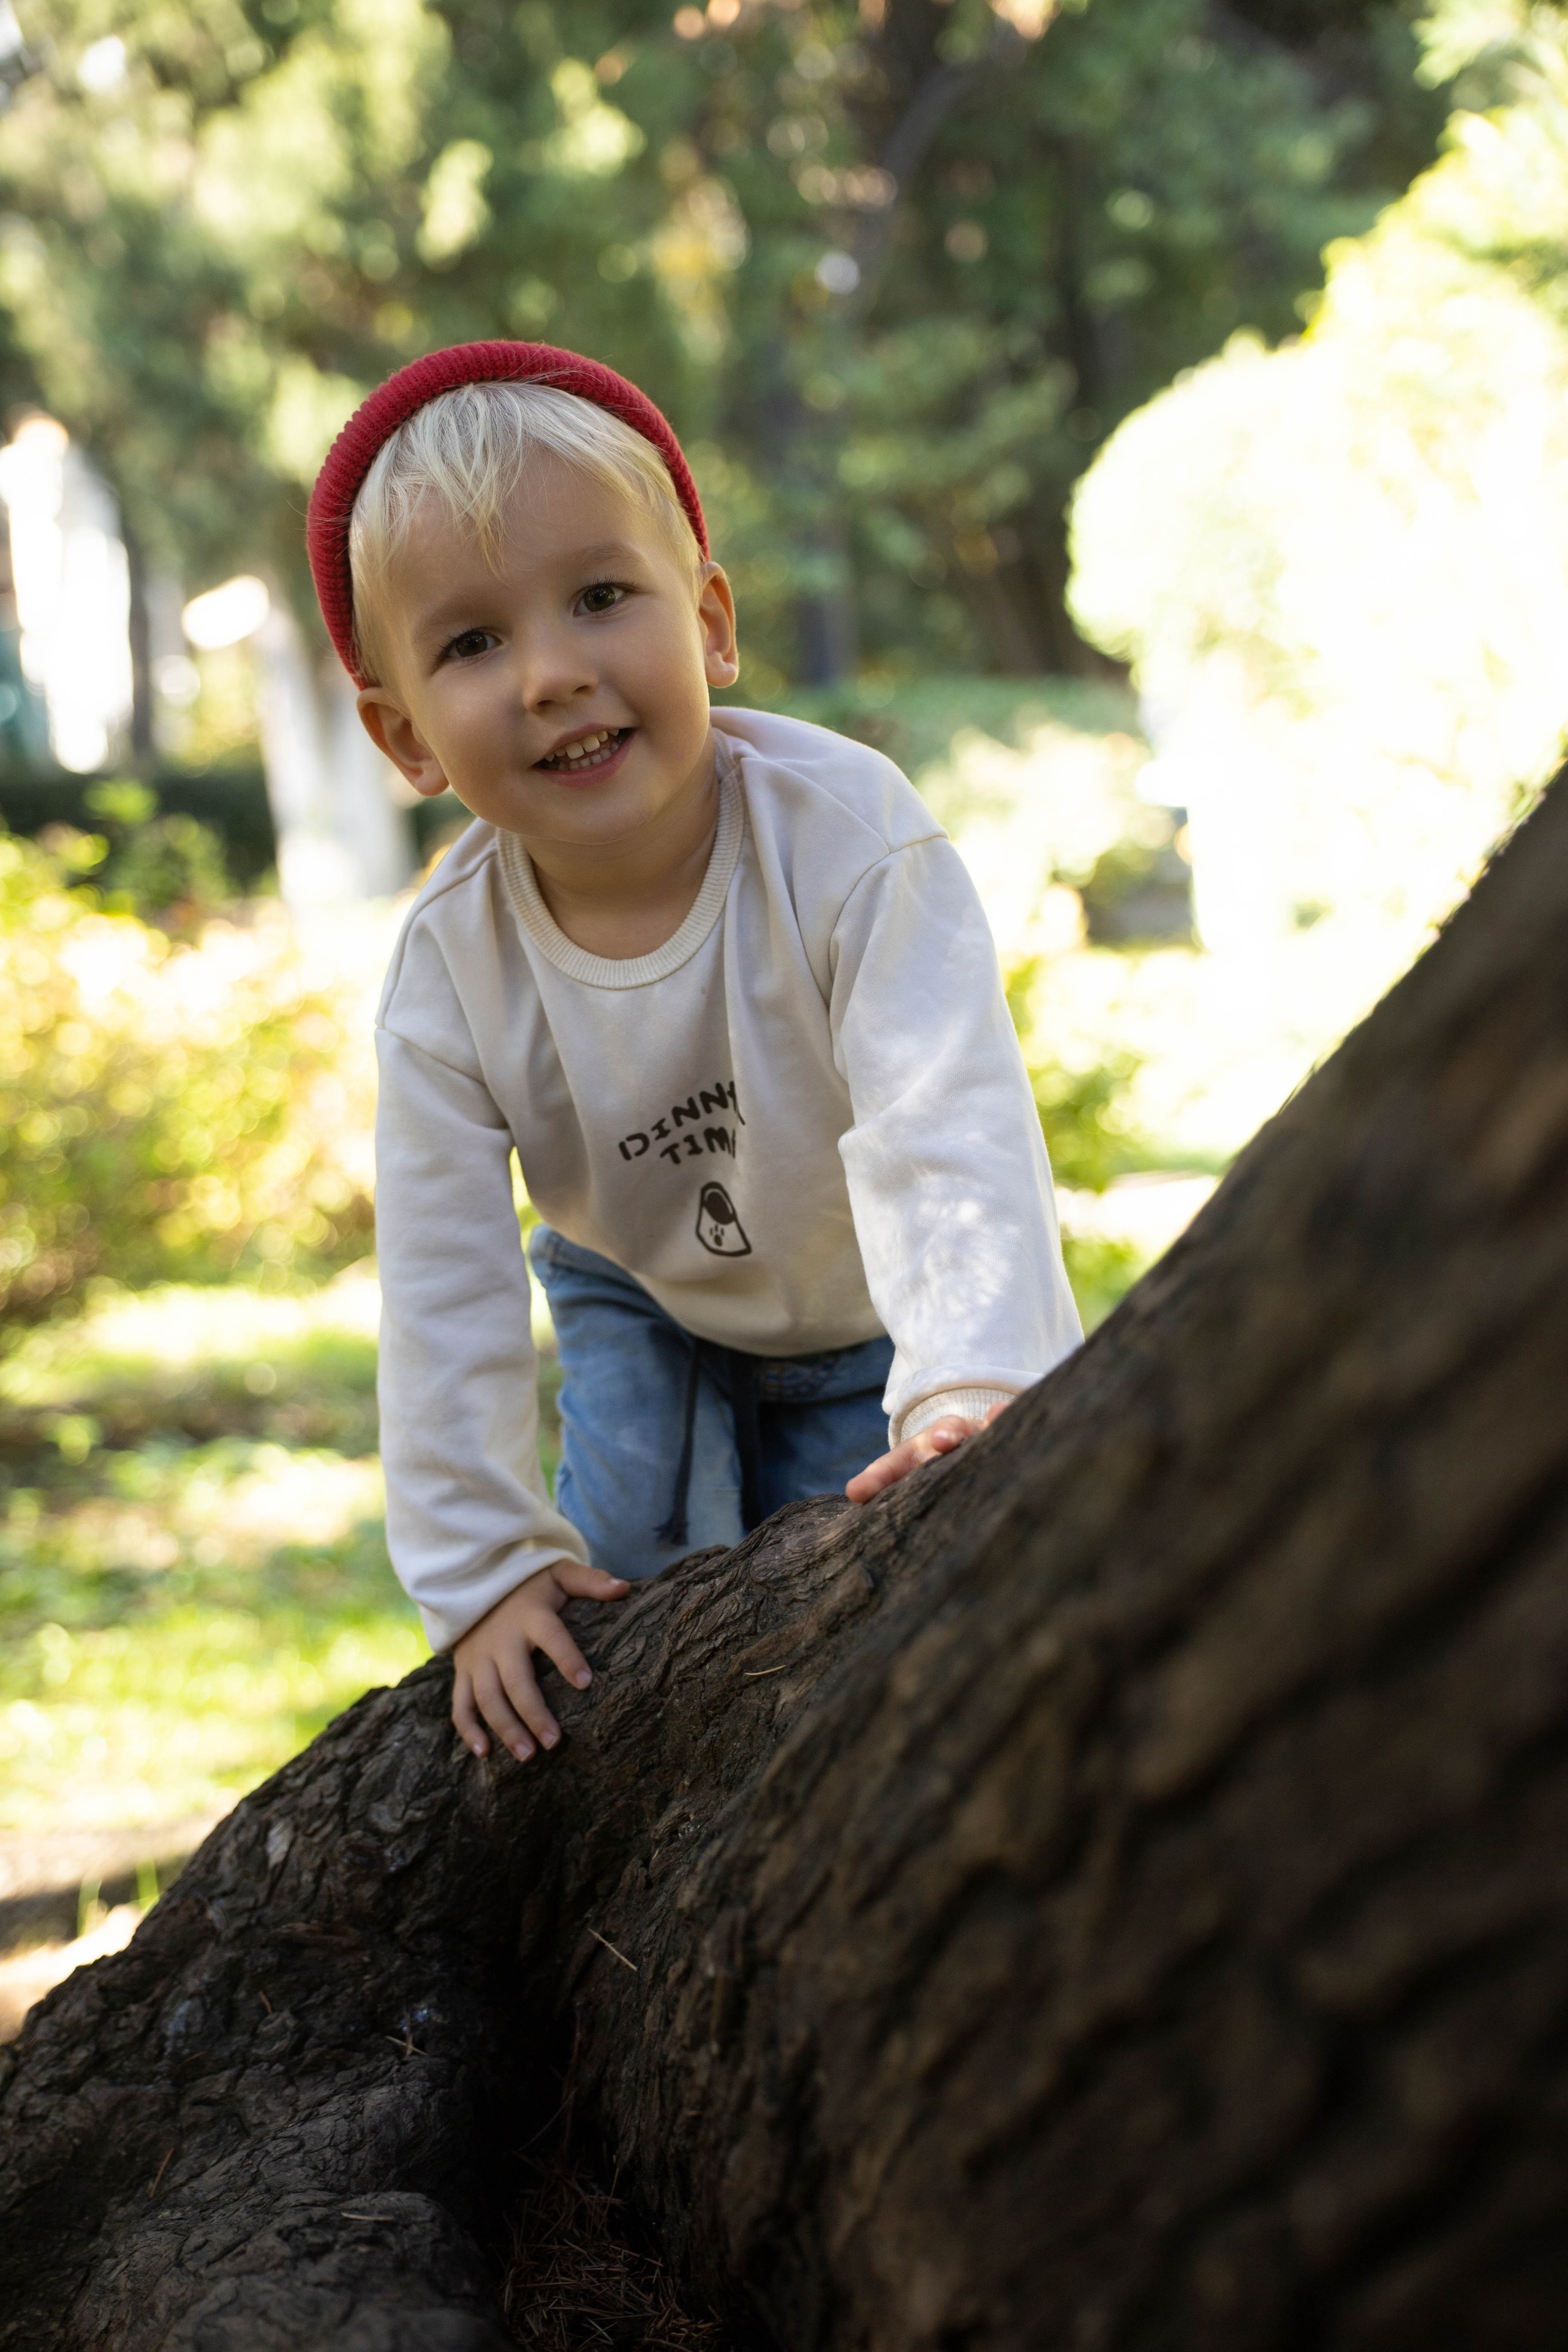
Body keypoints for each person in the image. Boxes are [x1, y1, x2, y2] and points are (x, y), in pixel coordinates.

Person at [305, 342, 1082, 1768]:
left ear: (709, 620)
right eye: (471, 643)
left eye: (601, 598)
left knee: (869, 1622)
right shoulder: (446, 969)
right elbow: (443, 1277)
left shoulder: (842, 836)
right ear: (403, 735)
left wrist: (971, 1380)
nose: (550, 674)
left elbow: (943, 1124)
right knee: (619, 1640)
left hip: (864, 1303)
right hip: (645, 1308)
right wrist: (481, 1571)